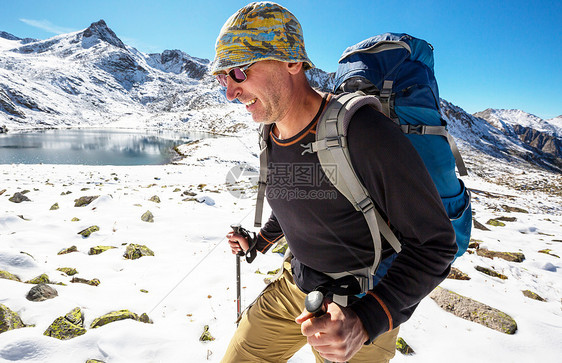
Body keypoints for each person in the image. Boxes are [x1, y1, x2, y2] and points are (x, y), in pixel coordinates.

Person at [212, 2, 457, 362]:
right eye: (222, 79)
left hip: (358, 307)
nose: (230, 93)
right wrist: (257, 243)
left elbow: (435, 245)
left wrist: (366, 320)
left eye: (238, 72)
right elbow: (298, 202)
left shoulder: (363, 133)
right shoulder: (270, 134)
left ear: (293, 62)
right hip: (295, 287)